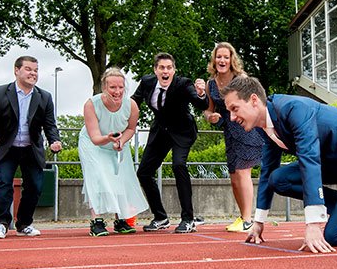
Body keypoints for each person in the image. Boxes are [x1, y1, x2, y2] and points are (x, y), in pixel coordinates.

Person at [221, 76, 337, 253]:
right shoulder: (265, 128)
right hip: (335, 163)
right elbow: (268, 171)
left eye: (234, 108)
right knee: (277, 179)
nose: (231, 117)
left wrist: (313, 223)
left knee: (336, 236)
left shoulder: (293, 108)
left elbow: (309, 158)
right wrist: (259, 221)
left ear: (254, 100)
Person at [0, 55, 62, 238]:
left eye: (36, 70)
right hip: (6, 148)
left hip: (30, 148)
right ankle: (1, 223)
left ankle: (24, 223)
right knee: (4, 183)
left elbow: (50, 125)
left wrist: (54, 141)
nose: (33, 73)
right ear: (16, 70)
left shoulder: (44, 97)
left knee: (35, 185)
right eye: (28, 69)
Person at [131, 52, 209, 233]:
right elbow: (134, 102)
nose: (165, 72)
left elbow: (201, 104)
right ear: (155, 70)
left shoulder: (183, 84)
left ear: (174, 70)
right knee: (143, 173)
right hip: (160, 131)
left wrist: (201, 93)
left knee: (178, 165)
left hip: (182, 131)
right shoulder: (147, 82)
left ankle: (188, 219)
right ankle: (160, 217)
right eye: (161, 68)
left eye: (169, 68)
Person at [198, 42, 261, 233]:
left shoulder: (241, 79)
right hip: (228, 131)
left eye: (226, 57)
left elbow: (255, 103)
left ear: (231, 59)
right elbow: (208, 111)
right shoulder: (210, 84)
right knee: (234, 178)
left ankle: (248, 220)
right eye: (219, 57)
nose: (222, 60)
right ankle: (243, 217)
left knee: (243, 173)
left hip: (247, 129)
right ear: (214, 60)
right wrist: (211, 117)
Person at [78, 67, 148, 236]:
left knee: (121, 178)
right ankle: (97, 221)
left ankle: (121, 220)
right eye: (112, 88)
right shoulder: (91, 104)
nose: (117, 92)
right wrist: (109, 139)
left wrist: (121, 141)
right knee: (97, 177)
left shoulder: (131, 105)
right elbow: (94, 137)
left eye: (121, 87)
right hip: (92, 144)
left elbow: (131, 128)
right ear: (104, 88)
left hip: (116, 143)